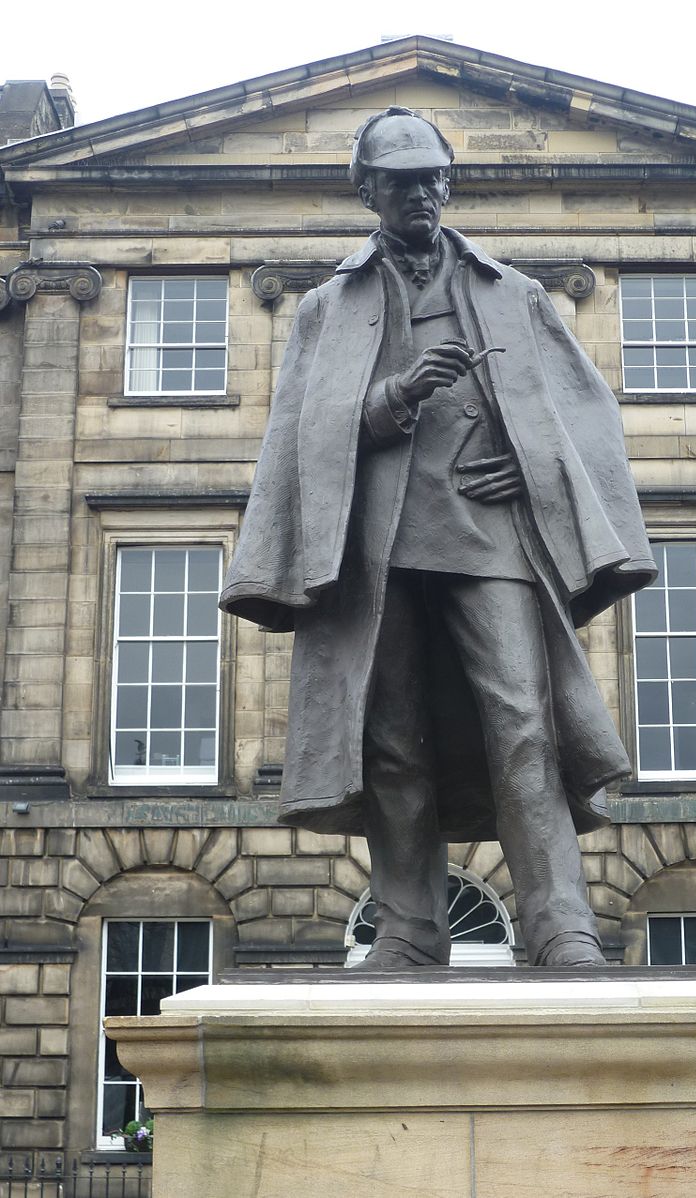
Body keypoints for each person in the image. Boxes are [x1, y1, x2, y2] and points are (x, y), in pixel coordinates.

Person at [219, 108, 656, 969]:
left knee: (523, 719)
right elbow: (302, 437)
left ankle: (559, 921)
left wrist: (529, 472)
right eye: (401, 180)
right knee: (390, 734)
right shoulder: (325, 308)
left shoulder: (514, 294)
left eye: (432, 178)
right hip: (374, 548)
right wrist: (394, 397)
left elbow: (587, 424)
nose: (420, 193)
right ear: (367, 189)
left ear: (448, 183)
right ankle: (411, 928)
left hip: (488, 538)